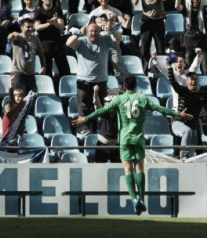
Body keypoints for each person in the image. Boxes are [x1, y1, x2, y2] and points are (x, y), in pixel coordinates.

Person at [72, 74, 193, 215]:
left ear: (124, 86)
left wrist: (84, 119)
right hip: (138, 138)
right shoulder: (142, 99)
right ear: (136, 86)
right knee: (139, 169)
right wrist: (179, 115)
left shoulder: (120, 99)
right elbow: (160, 109)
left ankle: (134, 199)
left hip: (124, 139)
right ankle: (141, 199)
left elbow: (101, 110)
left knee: (128, 170)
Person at [66, 22, 121, 135]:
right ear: (87, 31)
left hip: (101, 80)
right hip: (84, 80)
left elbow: (118, 38)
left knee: (102, 106)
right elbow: (68, 43)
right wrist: (78, 33)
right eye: (91, 31)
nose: (93, 33)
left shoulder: (104, 39)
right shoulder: (81, 41)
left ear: (99, 31)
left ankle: (101, 127)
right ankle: (83, 128)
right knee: (83, 106)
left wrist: (112, 30)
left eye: (96, 31)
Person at [165, 56, 207, 158]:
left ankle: (189, 159)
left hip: (193, 127)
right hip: (178, 122)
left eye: (195, 79)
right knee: (187, 131)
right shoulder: (182, 91)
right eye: (191, 79)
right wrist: (169, 66)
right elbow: (172, 81)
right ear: (187, 81)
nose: (193, 81)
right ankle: (183, 156)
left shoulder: (201, 95)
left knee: (193, 148)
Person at [175, 0, 207, 76]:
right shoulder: (187, 9)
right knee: (188, 67)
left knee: (205, 69)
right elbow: (177, 7)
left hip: (202, 42)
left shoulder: (204, 9)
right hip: (190, 42)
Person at [34, 0, 70, 78]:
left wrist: (55, 23)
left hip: (57, 41)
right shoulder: (39, 11)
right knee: (47, 71)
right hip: (44, 42)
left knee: (65, 69)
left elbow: (61, 26)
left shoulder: (57, 10)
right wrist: (49, 23)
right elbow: (37, 27)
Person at [8, 18, 46, 95]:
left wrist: (43, 66)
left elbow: (41, 54)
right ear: (21, 27)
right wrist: (12, 34)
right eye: (28, 27)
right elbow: (10, 37)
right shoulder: (18, 37)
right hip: (18, 73)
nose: (30, 29)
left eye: (32, 27)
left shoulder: (36, 39)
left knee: (32, 97)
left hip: (30, 74)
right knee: (19, 98)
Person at [133, 0, 165, 74]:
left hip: (158, 19)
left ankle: (161, 69)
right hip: (146, 20)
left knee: (160, 47)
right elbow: (135, 2)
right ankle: (145, 70)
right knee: (144, 47)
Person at [92, 84, 121, 163]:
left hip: (116, 146)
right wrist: (95, 94)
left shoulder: (120, 113)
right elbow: (97, 104)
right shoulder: (102, 112)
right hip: (102, 146)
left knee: (118, 170)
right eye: (108, 102)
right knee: (98, 169)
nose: (110, 104)